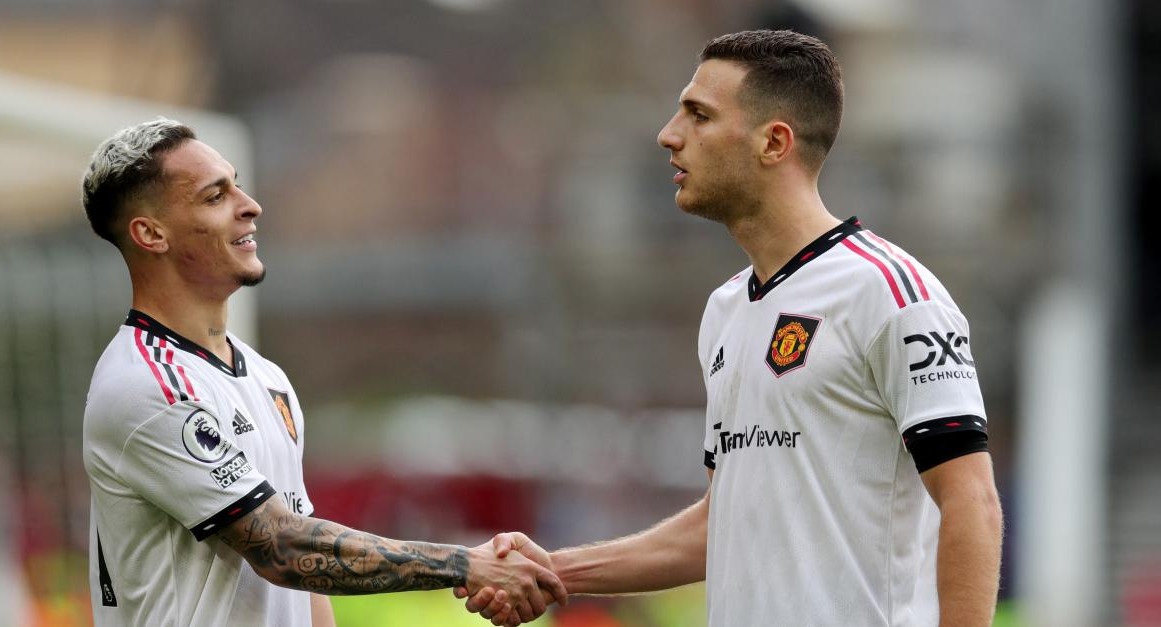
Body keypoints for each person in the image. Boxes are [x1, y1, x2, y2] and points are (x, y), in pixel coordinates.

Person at [459, 29, 1003, 627]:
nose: (669, 134)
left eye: (698, 114)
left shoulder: (890, 293)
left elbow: (970, 502)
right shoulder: (725, 310)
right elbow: (720, 524)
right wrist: (554, 571)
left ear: (774, 142)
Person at [80, 119, 566, 626]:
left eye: (237, 184)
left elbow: (306, 575)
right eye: (214, 196)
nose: (250, 205)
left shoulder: (267, 378)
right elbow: (282, 547)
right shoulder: (147, 386)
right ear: (150, 233)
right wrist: (467, 564)